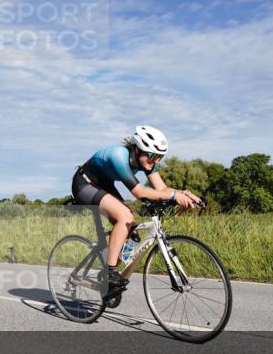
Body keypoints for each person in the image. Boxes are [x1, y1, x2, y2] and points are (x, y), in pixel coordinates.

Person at [71, 126, 201, 294]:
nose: (156, 161)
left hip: (103, 185)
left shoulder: (147, 162)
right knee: (124, 216)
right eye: (153, 156)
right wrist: (174, 196)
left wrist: (184, 194)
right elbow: (139, 192)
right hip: (84, 183)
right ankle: (110, 274)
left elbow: (162, 189)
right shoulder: (118, 155)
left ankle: (108, 271)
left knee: (131, 227)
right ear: (138, 149)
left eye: (160, 157)